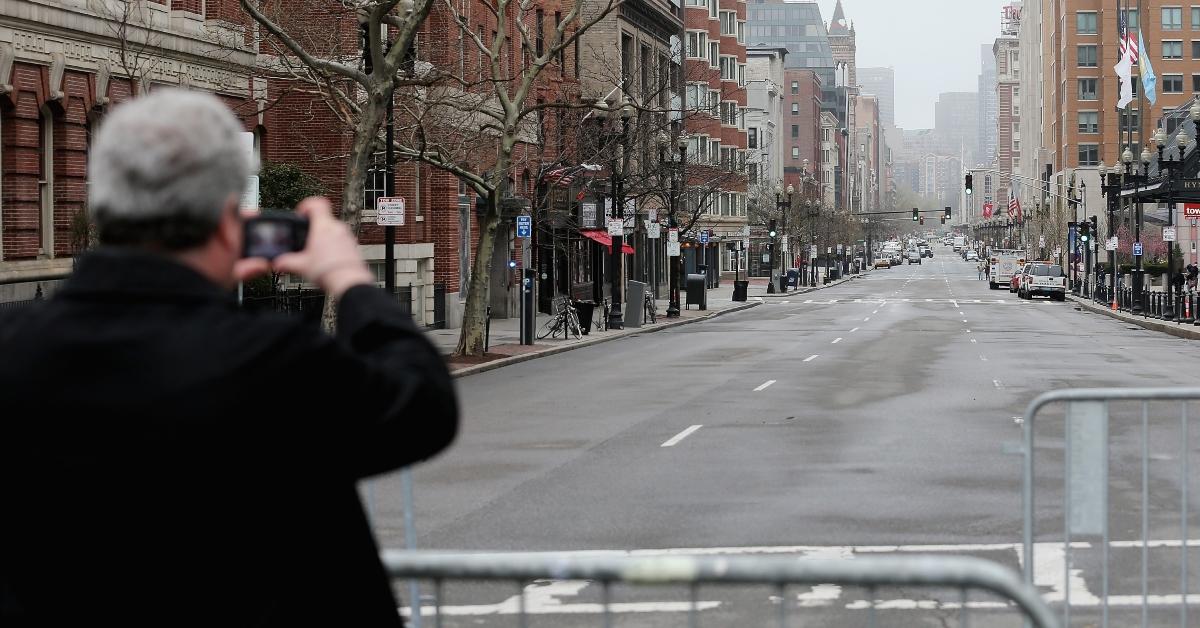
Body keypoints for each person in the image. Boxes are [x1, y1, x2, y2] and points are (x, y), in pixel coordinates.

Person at [0, 91, 458, 627]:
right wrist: (348, 277)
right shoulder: (270, 360)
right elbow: (423, 403)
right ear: (227, 222)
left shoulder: (13, 350)